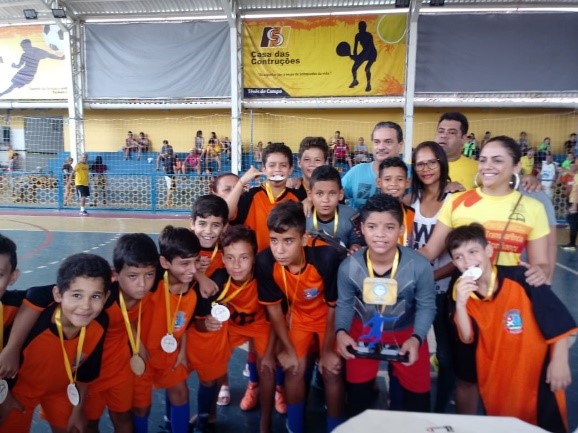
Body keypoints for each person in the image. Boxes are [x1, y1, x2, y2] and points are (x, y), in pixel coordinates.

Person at [419, 135, 550, 415]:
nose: (488, 166)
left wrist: (540, 274)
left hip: (510, 303)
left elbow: (542, 264)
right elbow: (430, 251)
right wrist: (389, 261)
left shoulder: (533, 207)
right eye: (483, 159)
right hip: (465, 299)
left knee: (505, 374)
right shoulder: (457, 202)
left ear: (516, 166)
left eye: (497, 160)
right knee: (466, 377)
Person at [448, 223, 576, 432]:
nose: (467, 261)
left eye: (473, 252)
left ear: (488, 251)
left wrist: (559, 360)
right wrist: (461, 304)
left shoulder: (522, 278)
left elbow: (556, 319)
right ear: (454, 263)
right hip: (496, 381)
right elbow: (467, 337)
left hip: (537, 378)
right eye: (459, 257)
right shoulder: (462, 293)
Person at [335, 193, 436, 415]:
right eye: (372, 227)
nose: (380, 234)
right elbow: (344, 304)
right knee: (357, 402)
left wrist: (417, 338)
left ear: (401, 229)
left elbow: (427, 306)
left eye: (389, 227)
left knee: (418, 404)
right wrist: (340, 332)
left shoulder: (419, 265)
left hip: (407, 333)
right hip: (363, 331)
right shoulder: (349, 267)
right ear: (362, 228)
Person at [257, 201, 345, 433]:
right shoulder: (265, 262)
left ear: (304, 239)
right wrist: (287, 348)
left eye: (288, 241)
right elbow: (274, 311)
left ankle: (334, 427)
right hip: (299, 318)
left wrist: (327, 351)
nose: (279, 250)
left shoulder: (327, 257)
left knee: (331, 371)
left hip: (327, 317)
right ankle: (295, 426)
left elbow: (335, 307)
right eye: (274, 240)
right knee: (294, 369)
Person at [0, 253, 111, 432]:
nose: (86, 306)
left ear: (105, 298)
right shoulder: (31, 323)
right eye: (77, 295)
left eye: (96, 297)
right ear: (58, 294)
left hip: (62, 391)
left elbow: (86, 373)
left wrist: (78, 410)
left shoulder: (100, 324)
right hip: (19, 392)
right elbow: (4, 363)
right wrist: (4, 398)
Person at [83, 233, 159, 433]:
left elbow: (178, 265)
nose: (142, 284)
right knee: (90, 422)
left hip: (120, 367)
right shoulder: (101, 300)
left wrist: (201, 277)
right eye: (133, 276)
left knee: (123, 417)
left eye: (149, 274)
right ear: (115, 274)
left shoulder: (153, 283)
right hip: (91, 371)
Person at [132, 226, 200, 433]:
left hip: (171, 353)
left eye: (196, 261)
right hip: (141, 354)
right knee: (142, 407)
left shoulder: (194, 290)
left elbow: (185, 324)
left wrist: (182, 351)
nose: (193, 269)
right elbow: (128, 317)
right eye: (185, 263)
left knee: (181, 393)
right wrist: (138, 347)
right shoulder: (149, 286)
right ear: (165, 262)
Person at [409, 141, 454, 413]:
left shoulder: (455, 199)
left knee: (446, 355)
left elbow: (459, 257)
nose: (426, 168)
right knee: (411, 346)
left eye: (431, 162)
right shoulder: (409, 199)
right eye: (420, 163)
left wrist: (432, 277)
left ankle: (440, 409)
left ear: (441, 163)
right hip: (412, 289)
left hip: (443, 289)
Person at [225, 142, 307, 252]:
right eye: (272, 165)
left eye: (283, 165)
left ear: (290, 169)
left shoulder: (300, 197)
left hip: (288, 258)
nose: (277, 169)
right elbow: (226, 214)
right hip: (256, 259)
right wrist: (241, 182)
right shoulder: (251, 196)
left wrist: (310, 200)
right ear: (264, 169)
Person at [342, 121, 405, 211]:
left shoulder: (412, 173)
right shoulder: (356, 172)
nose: (381, 147)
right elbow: (333, 195)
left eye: (388, 142)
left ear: (400, 145)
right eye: (377, 142)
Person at [306, 165, 362, 253]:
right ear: (310, 195)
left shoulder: (351, 216)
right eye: (319, 194)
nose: (325, 200)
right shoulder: (302, 216)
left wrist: (355, 247)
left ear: (341, 194)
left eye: (332, 193)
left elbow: (357, 242)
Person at [0, 39, 65, 97]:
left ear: (28, 45)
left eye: (23, 47)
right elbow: (19, 66)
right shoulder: (26, 54)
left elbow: (49, 55)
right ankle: (2, 94)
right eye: (22, 47)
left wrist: (60, 58)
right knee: (13, 86)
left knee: (13, 86)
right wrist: (14, 65)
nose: (23, 49)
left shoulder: (36, 52)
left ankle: (2, 94)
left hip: (27, 74)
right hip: (25, 73)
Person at [376, 157, 414, 247]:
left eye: (400, 179)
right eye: (387, 179)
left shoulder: (411, 214)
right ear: (379, 183)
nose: (393, 183)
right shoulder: (370, 213)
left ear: (407, 183)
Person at [434, 112, 478, 190]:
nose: (444, 135)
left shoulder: (479, 170)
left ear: (463, 138)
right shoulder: (417, 166)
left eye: (452, 132)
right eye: (441, 131)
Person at [349, 21, 377, 92]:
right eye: (360, 27)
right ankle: (355, 81)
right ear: (359, 28)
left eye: (363, 27)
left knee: (367, 69)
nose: (361, 29)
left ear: (365, 28)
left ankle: (368, 85)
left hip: (372, 53)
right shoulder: (357, 36)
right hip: (364, 52)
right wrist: (354, 56)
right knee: (354, 69)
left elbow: (369, 49)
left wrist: (357, 57)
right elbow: (355, 49)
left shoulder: (369, 35)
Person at [562, 162, 578, 252]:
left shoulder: (576, 175)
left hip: (574, 202)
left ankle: (572, 244)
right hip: (570, 200)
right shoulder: (571, 176)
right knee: (573, 222)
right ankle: (572, 243)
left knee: (573, 223)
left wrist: (574, 205)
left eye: (575, 164)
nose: (573, 166)